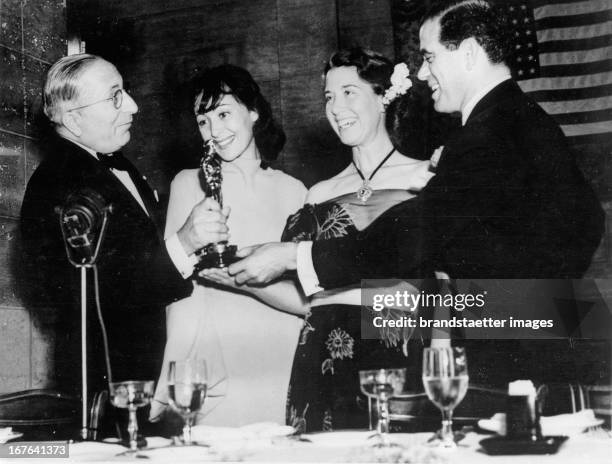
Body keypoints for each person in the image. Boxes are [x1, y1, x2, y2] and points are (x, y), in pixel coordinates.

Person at [227, 1, 605, 385]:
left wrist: (294, 254)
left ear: (469, 53)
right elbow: (589, 220)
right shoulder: (521, 117)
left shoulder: (487, 132)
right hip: (544, 338)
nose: (423, 73)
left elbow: (414, 234)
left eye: (429, 57)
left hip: (518, 357)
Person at [20, 54, 226, 401]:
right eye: (115, 96)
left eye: (125, 91)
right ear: (74, 118)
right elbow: (96, 295)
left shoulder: (119, 166)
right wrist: (184, 242)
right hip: (112, 386)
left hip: (146, 373)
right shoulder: (57, 183)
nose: (132, 106)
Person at [269, 48, 433, 432]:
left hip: (398, 345)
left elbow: (436, 286)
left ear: (383, 98)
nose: (336, 107)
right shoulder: (318, 193)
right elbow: (298, 291)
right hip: (322, 348)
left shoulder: (425, 178)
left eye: (349, 92)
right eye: (329, 96)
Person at [151, 64, 308, 427]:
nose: (214, 131)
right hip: (215, 361)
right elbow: (174, 291)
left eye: (223, 114)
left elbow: (306, 292)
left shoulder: (296, 190)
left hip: (281, 349)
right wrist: (178, 373)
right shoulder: (188, 183)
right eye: (203, 121)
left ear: (254, 111)